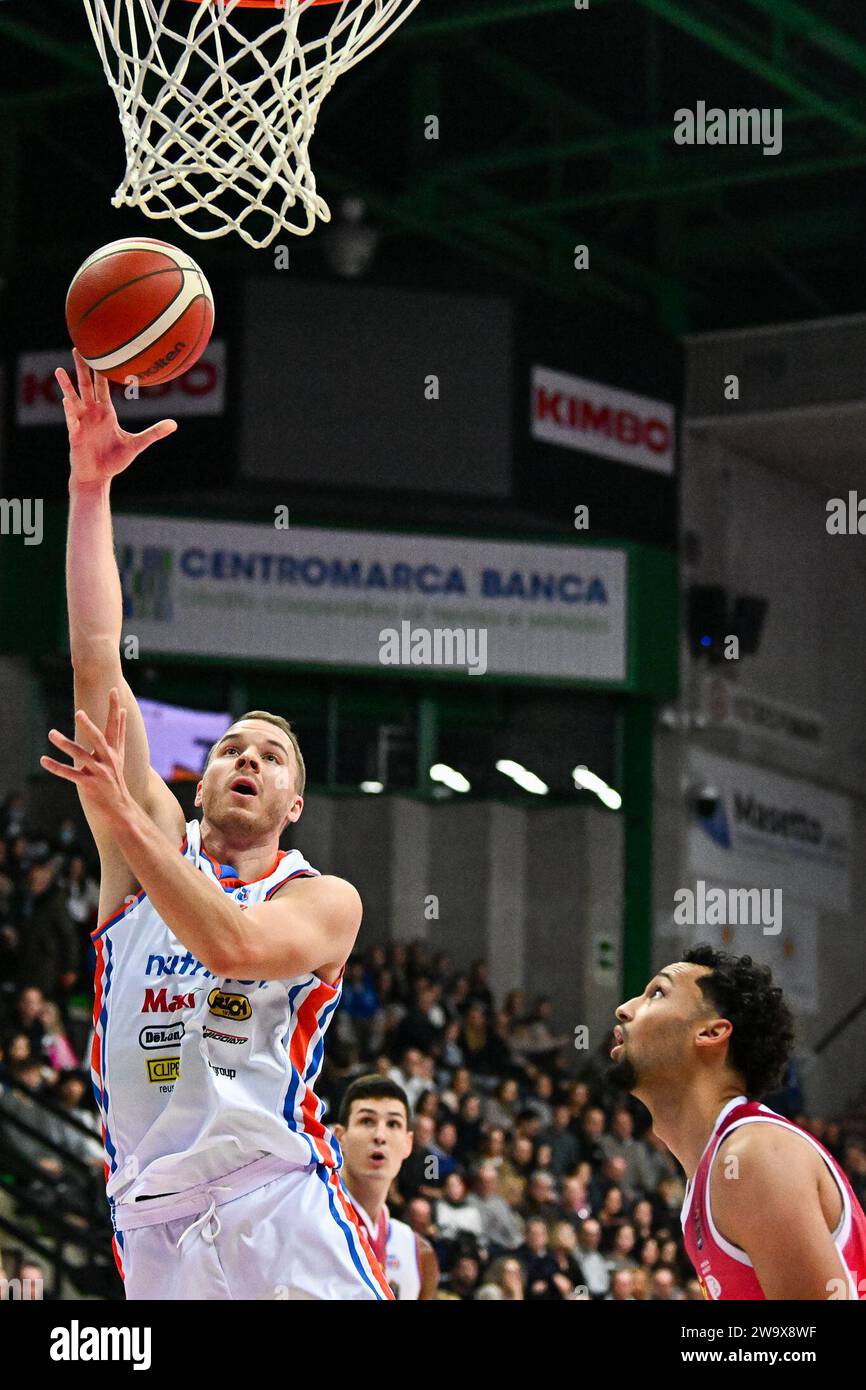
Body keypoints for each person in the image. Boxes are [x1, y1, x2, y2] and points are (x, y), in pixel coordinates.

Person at [41, 351, 387, 1301]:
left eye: (273, 757)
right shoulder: (143, 836)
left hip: (277, 1201)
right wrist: (87, 490)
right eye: (233, 748)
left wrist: (123, 821)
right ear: (198, 786)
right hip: (149, 1223)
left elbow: (233, 945)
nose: (248, 760)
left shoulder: (322, 901)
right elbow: (94, 660)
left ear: (295, 805)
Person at [609, 945, 866, 1299]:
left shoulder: (752, 1156)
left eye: (657, 993)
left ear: (711, 1033)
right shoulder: (711, 1175)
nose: (624, 1009)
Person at [335, 1075, 439, 1299]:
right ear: (340, 1137)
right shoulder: (307, 1222)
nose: (380, 1136)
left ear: (408, 1143)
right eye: (367, 1121)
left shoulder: (420, 1253)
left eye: (393, 1124)